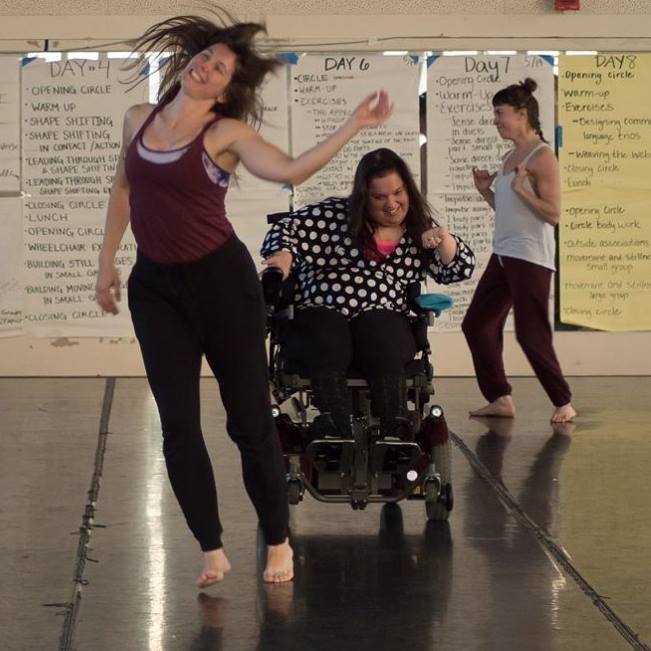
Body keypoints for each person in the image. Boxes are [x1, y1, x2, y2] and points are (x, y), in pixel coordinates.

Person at [94, 11, 393, 587]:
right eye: (204, 57)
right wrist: (107, 261)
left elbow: (291, 169)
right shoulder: (138, 119)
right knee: (177, 426)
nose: (206, 66)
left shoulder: (224, 136)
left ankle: (277, 538)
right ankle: (212, 548)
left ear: (227, 89)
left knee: (249, 421)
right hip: (156, 290)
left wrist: (354, 124)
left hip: (223, 287)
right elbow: (124, 186)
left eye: (219, 67)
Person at [261, 148, 475, 438]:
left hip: (383, 321)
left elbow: (458, 269)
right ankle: (336, 424)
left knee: (380, 325)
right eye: (379, 197)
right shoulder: (334, 216)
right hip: (323, 313)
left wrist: (443, 240)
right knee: (327, 327)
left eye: (398, 193)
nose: (392, 204)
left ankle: (395, 427)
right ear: (363, 197)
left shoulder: (417, 231)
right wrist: (283, 256)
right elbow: (284, 229)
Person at [462, 78, 576, 424]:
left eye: (500, 113)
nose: (496, 120)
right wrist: (486, 192)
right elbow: (510, 211)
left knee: (530, 333)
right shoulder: (511, 156)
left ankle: (563, 403)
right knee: (477, 324)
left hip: (530, 258)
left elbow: (553, 214)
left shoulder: (542, 157)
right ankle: (500, 397)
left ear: (522, 114)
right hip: (504, 254)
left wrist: (521, 189)